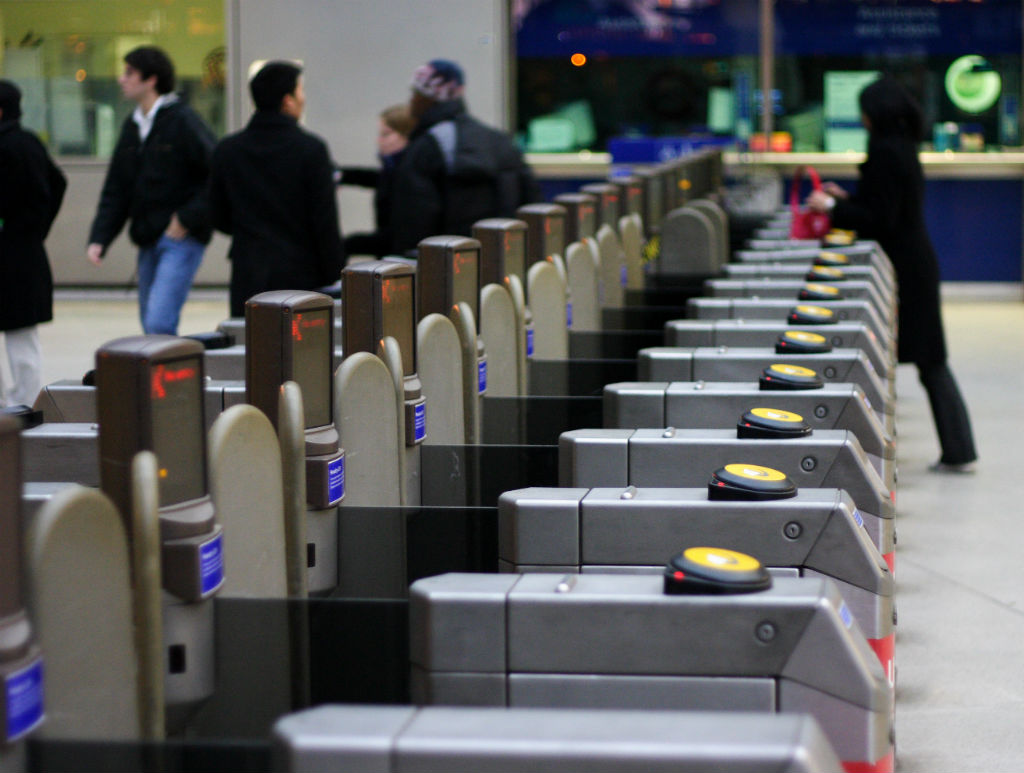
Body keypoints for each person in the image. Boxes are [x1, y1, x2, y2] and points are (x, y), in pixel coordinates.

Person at [806, 75, 977, 472]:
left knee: (931, 360)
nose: (861, 117)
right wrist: (844, 199)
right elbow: (882, 206)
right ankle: (958, 448)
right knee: (931, 359)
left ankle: (959, 448)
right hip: (912, 260)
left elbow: (881, 219)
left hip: (907, 267)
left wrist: (830, 209)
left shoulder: (886, 151)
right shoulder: (899, 147)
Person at [86, 46, 215, 335]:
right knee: (150, 325)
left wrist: (187, 218)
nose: (122, 79)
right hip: (147, 238)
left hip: (180, 238)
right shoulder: (133, 126)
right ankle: (161, 378)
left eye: (129, 73)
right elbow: (117, 187)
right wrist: (100, 238)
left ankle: (175, 377)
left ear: (151, 79)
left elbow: (218, 173)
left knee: (158, 322)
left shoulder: (182, 121)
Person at [209, 60, 344, 316]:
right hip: (302, 270)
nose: (303, 99)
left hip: (248, 268)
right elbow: (323, 220)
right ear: (288, 100)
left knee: (252, 342)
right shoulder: (311, 149)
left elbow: (217, 213)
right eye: (300, 92)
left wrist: (247, 231)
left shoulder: (228, 149)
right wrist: (334, 272)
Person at [389, 59, 541, 255]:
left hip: (447, 261)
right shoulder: (499, 140)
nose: (411, 101)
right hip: (502, 254)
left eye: (416, 93)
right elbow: (530, 198)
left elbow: (415, 215)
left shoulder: (428, 145)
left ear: (430, 97)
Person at [0, 80, 67, 408]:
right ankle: (24, 404)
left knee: (19, 336)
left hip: (11, 252)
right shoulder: (29, 144)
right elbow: (58, 183)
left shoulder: (7, 147)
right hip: (24, 254)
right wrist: (37, 230)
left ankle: (9, 405)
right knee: (22, 337)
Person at [337, 103, 416, 258]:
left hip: (400, 261)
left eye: (386, 134)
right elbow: (377, 179)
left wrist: (350, 244)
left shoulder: (409, 176)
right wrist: (343, 175)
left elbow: (397, 234)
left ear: (406, 136)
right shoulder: (396, 170)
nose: (379, 141)